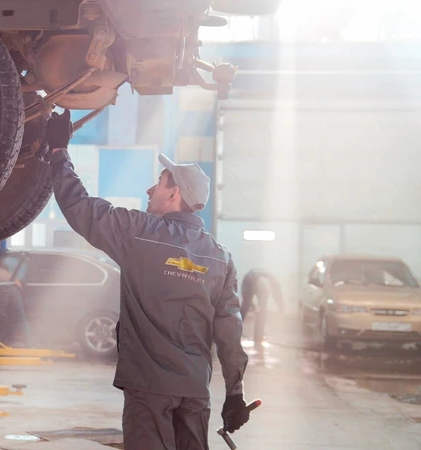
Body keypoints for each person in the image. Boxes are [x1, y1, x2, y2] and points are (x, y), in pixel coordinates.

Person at [45, 110, 250, 450]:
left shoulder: (139, 233)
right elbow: (230, 331)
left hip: (149, 390)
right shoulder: (220, 257)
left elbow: (80, 207)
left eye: (159, 182)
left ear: (174, 195)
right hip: (194, 392)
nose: (150, 188)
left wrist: (58, 152)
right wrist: (235, 394)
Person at [240, 268, 284, 350]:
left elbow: (278, 295)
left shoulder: (272, 281)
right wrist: (253, 307)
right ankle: (235, 331)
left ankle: (258, 336)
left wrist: (281, 308)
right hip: (250, 281)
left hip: (261, 284)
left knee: (262, 312)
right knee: (245, 307)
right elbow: (245, 295)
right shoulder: (248, 281)